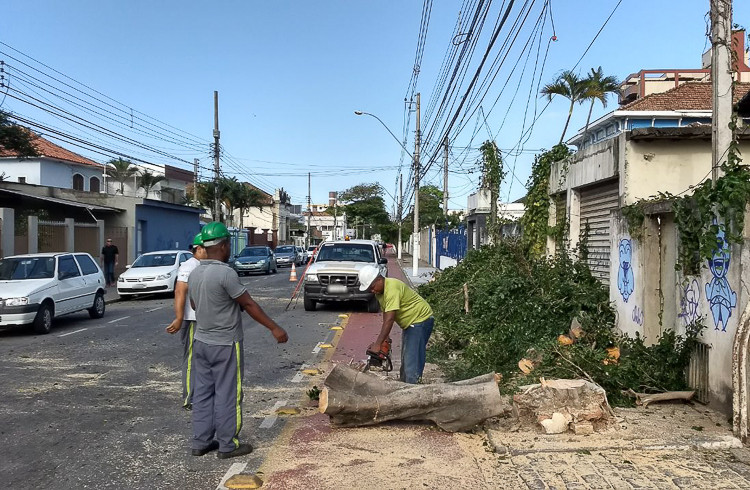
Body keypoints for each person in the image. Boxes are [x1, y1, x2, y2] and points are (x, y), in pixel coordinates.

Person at [188, 222, 289, 459]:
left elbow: (194, 305)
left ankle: (200, 442)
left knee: (202, 394)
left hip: (201, 341)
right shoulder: (225, 273)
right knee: (227, 394)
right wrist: (274, 328)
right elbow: (249, 304)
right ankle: (228, 445)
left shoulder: (195, 273)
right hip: (225, 344)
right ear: (224, 245)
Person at [358, 264, 434, 384]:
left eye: (372, 287)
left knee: (412, 361)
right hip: (410, 323)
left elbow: (390, 319)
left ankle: (413, 392)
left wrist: (378, 344)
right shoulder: (379, 293)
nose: (372, 291)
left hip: (420, 320)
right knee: (406, 358)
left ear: (379, 279)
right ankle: (404, 386)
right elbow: (386, 314)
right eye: (370, 289)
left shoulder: (392, 288)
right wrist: (385, 339)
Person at [166, 233, 207, 410]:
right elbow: (180, 291)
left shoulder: (204, 265)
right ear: (198, 249)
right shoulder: (189, 266)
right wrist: (179, 317)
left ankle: (202, 394)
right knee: (191, 359)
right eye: (208, 248)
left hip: (206, 320)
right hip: (192, 320)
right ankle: (189, 397)